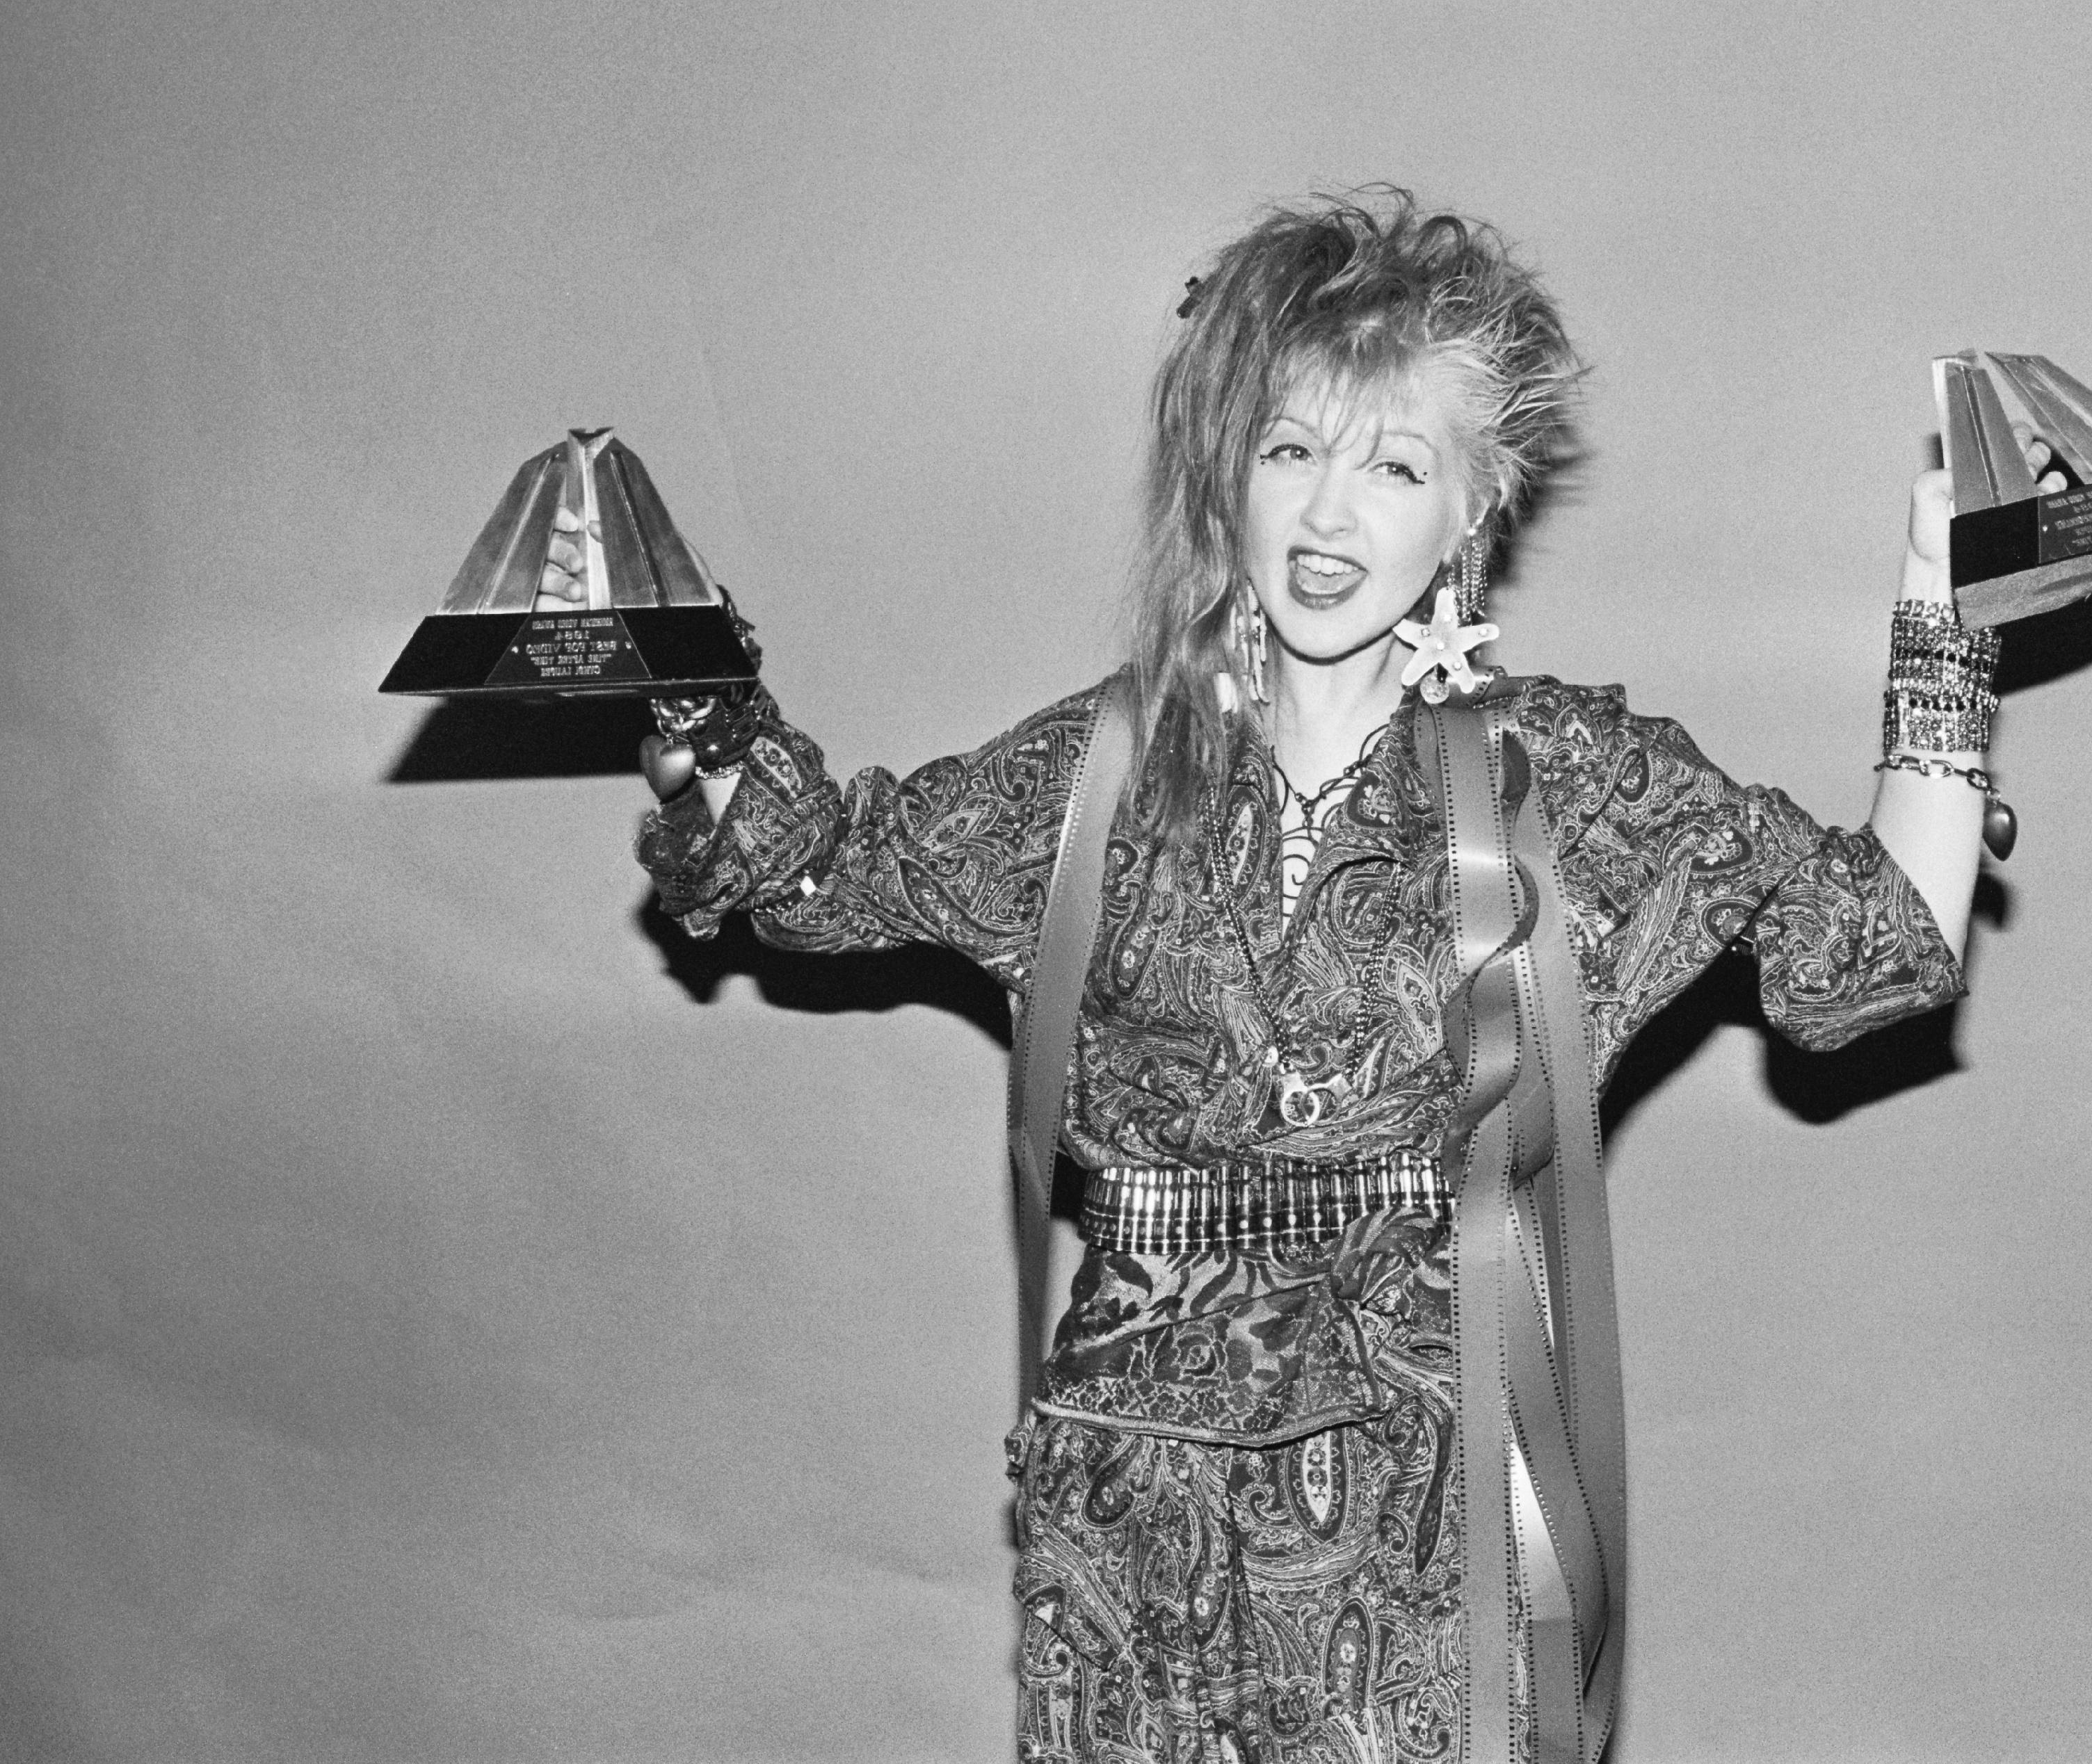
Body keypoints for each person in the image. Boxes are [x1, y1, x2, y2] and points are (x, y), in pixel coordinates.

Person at [590, 189, 2002, 1764]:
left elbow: (1871, 948)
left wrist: (1948, 621)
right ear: (1229, 472)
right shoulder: (1092, 777)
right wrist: (681, 668)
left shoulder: (1573, 789)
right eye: (1289, 451)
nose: (1330, 518)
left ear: (1476, 510)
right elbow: (815, 869)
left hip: (1436, 1526)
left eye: (1396, 466)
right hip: (1135, 1521)